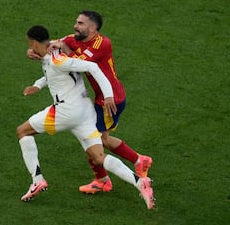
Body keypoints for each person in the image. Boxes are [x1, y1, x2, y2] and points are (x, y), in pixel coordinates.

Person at [17, 25, 154, 209]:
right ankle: (139, 182)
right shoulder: (57, 54)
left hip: (65, 111)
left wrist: (108, 95)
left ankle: (37, 180)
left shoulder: (57, 59)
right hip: (84, 112)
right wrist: (37, 85)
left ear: (33, 42)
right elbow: (55, 73)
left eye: (30, 44)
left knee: (23, 131)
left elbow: (92, 66)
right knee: (98, 157)